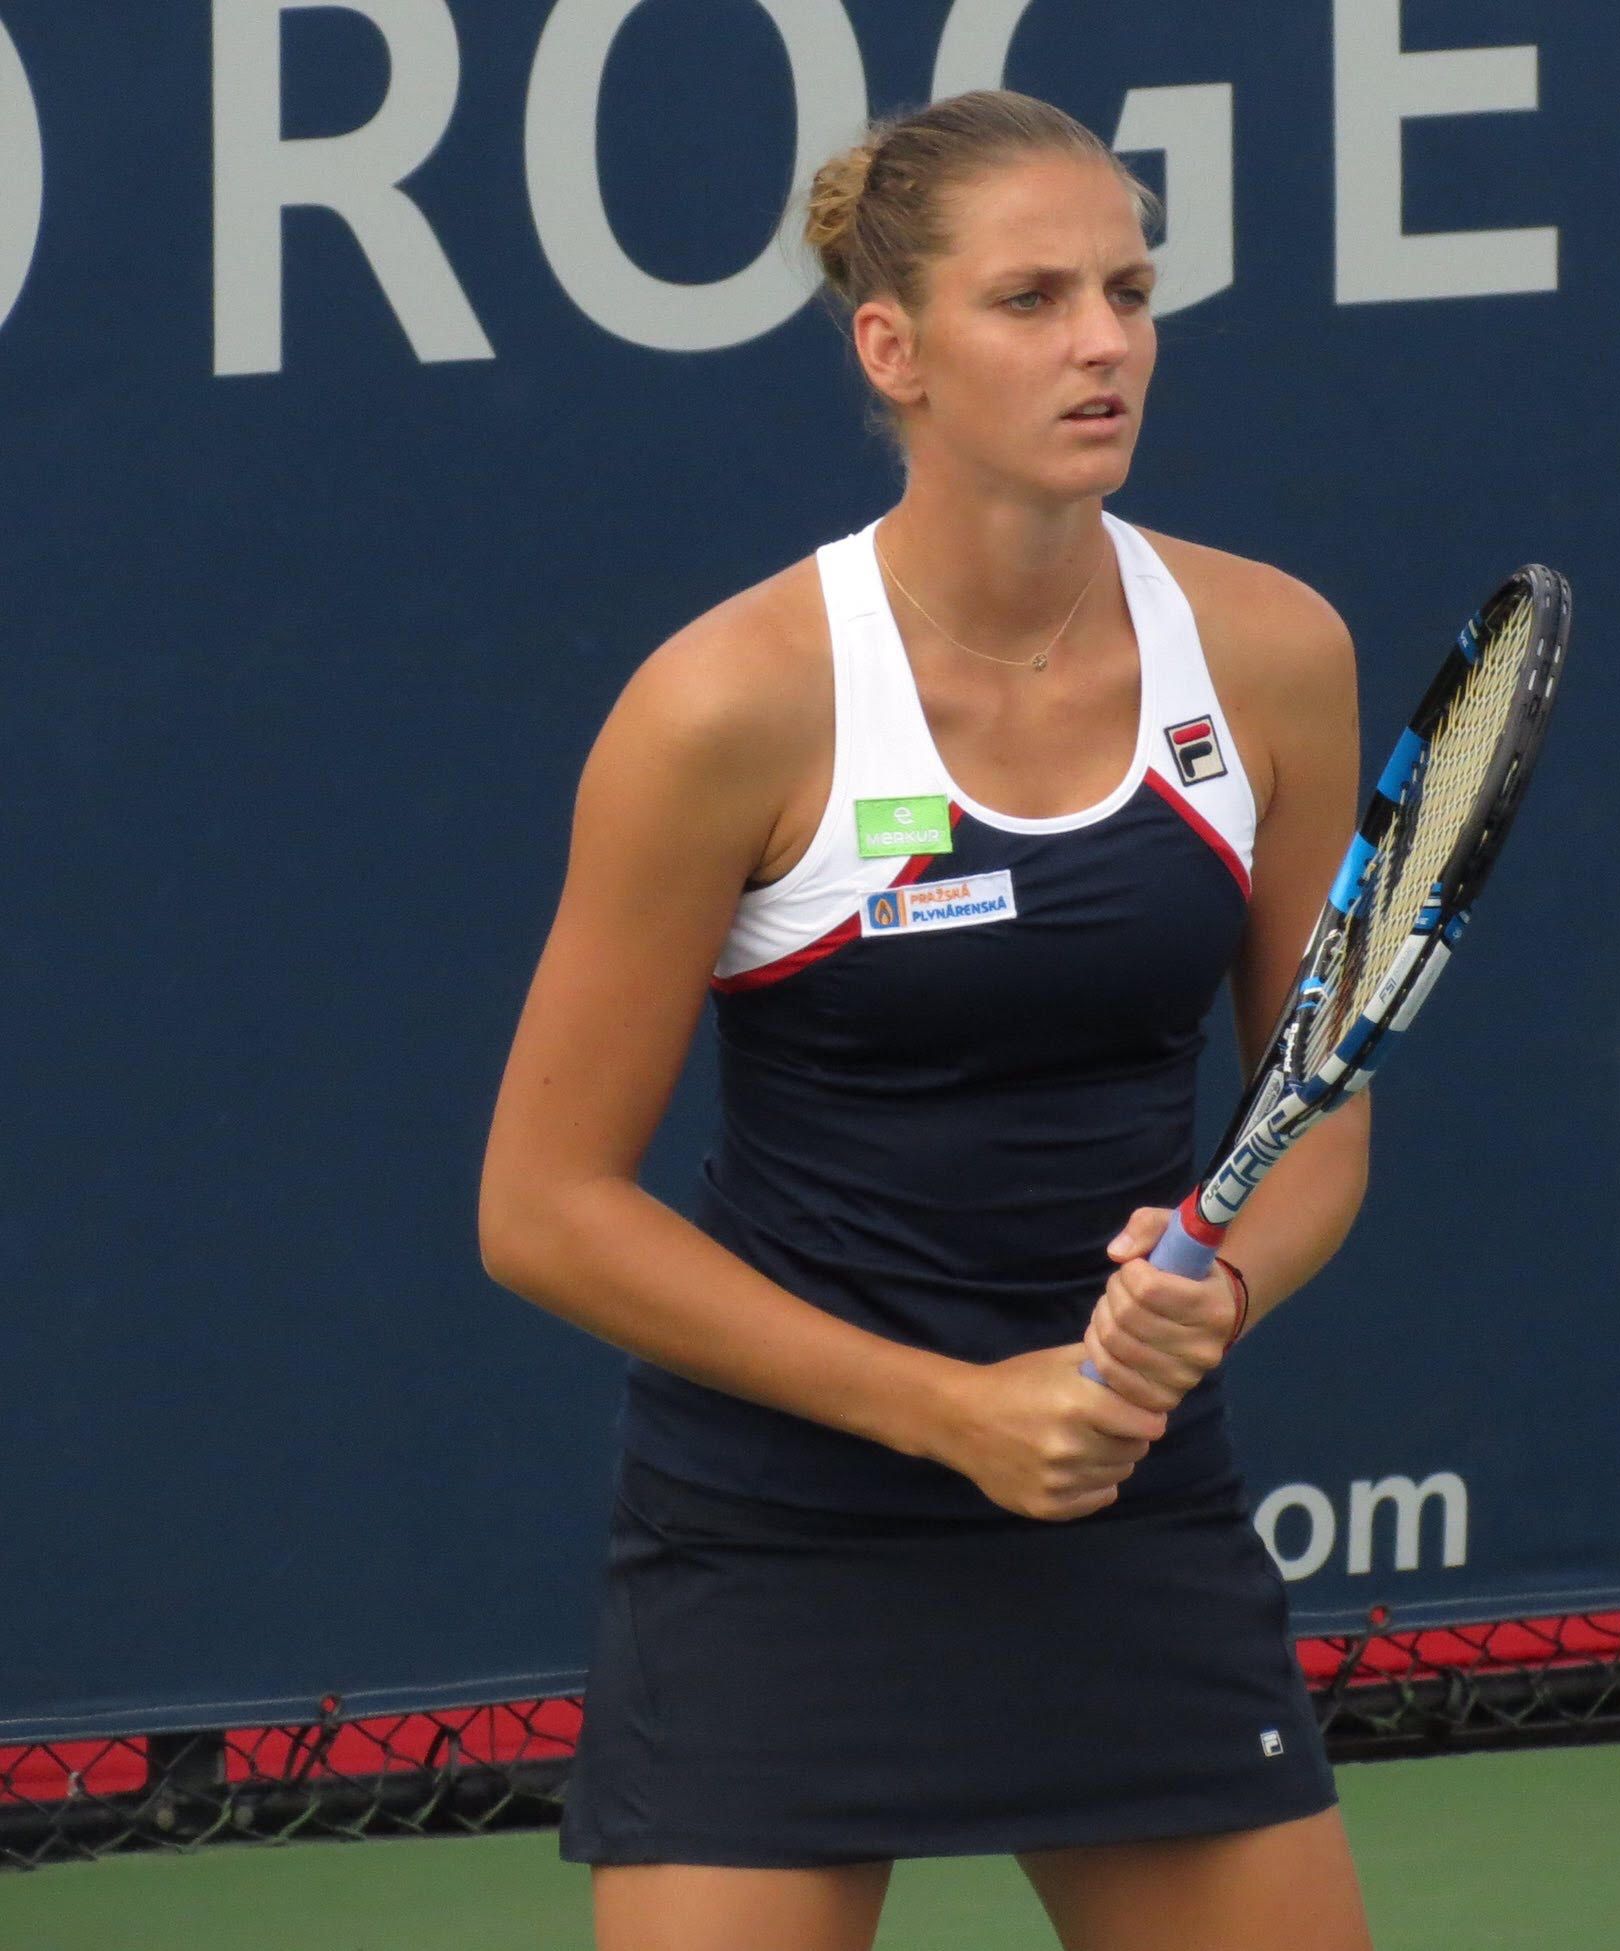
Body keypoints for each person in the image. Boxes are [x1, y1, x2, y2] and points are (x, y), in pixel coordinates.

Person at [479, 87, 1374, 1951]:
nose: (1104, 342)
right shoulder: (727, 706)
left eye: (1128, 291)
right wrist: (953, 1411)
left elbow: (1320, 1109)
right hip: (782, 1533)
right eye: (1031, 299)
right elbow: (544, 1208)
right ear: (893, 349)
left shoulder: (1272, 654)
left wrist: (1216, 1292)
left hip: (1125, 1505)